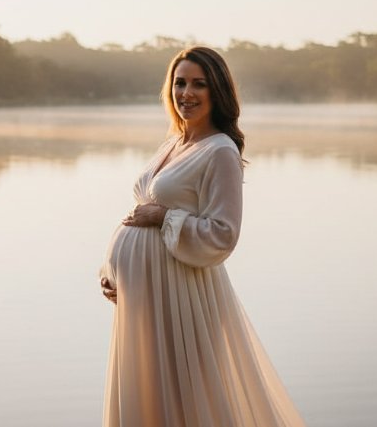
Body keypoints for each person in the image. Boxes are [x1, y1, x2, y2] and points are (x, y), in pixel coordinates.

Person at [99, 47, 306, 427]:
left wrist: (164, 216)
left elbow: (223, 234)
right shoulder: (174, 143)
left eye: (199, 84)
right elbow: (139, 214)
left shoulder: (220, 151)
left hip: (182, 299)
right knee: (150, 399)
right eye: (180, 83)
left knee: (187, 404)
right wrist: (112, 271)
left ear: (218, 91)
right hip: (146, 298)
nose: (186, 93)